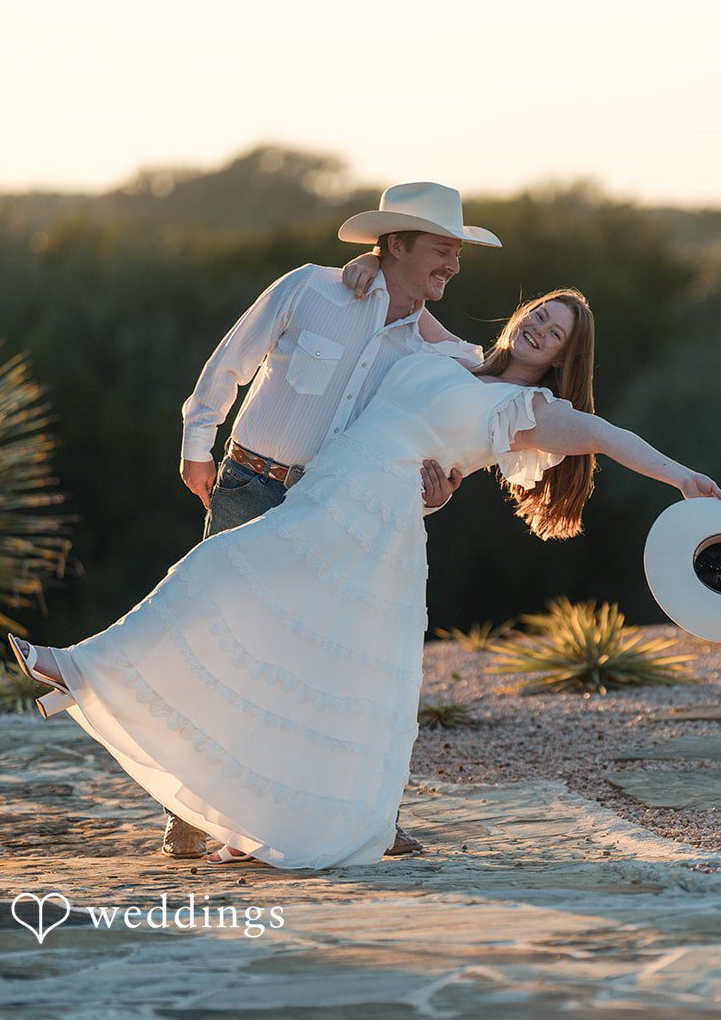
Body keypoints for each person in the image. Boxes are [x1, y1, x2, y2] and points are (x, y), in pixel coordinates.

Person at [6, 290, 721, 871]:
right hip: (331, 491)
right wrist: (365, 259)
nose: (541, 329)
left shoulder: (532, 412)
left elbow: (610, 438)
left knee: (222, 571)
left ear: (566, 358)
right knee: (294, 659)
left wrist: (682, 477)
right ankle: (254, 815)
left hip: (369, 513)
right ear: (520, 316)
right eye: (540, 315)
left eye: (557, 334)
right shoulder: (456, 354)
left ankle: (78, 667)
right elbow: (404, 285)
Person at [163, 182, 498, 859]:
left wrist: (438, 490)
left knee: (341, 664)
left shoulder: (438, 354)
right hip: (251, 487)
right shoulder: (310, 289)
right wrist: (197, 446)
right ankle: (192, 811)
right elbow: (230, 361)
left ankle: (363, 819)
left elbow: (449, 433)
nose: (454, 266)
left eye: (458, 253)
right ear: (396, 244)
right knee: (229, 648)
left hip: (343, 510)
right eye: (442, 250)